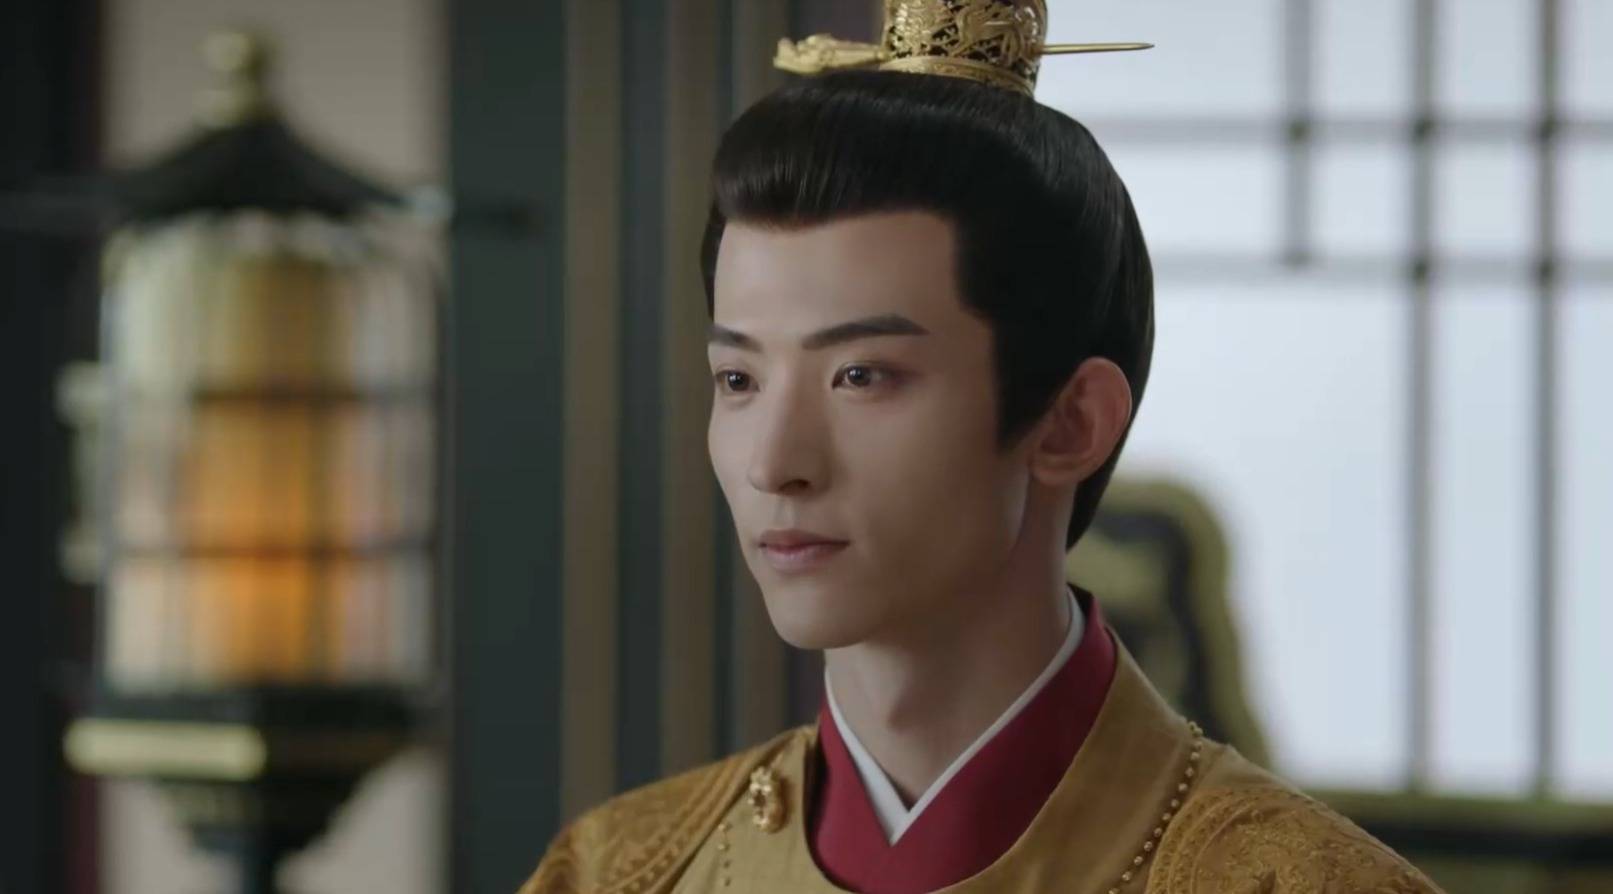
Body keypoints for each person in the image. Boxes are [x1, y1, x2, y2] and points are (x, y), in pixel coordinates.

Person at [521, 1, 1444, 891]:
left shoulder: (1295, 883)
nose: (773, 464)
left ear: (1070, 422)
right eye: (738, 380)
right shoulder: (619, 873)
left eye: (861, 375)